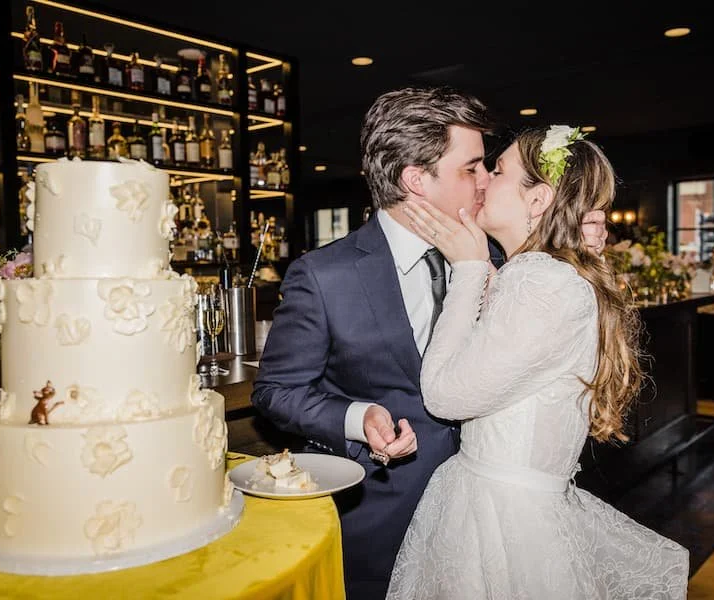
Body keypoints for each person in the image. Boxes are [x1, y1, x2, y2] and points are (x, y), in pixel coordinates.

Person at [251, 88, 607, 599]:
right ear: (415, 179)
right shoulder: (325, 276)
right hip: (378, 518)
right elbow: (277, 391)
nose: (485, 180)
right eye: (472, 168)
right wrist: (357, 417)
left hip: (493, 531)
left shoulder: (511, 261)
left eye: (488, 168)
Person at [386, 125, 689, 599]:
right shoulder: (535, 275)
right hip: (501, 502)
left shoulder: (543, 282)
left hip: (501, 520)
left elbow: (444, 396)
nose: (483, 179)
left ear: (539, 199)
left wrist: (466, 271)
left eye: (498, 170)